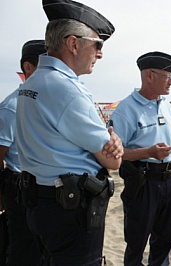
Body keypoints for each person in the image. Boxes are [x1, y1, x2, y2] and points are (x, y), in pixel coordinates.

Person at [15, 0, 123, 264]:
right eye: (97, 45)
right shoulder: (68, 90)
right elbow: (112, 159)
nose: (100, 54)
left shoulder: (34, 82)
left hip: (41, 202)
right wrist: (114, 140)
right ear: (73, 44)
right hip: (69, 211)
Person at [110, 51, 171, 266]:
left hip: (170, 180)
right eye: (167, 77)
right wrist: (148, 152)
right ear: (149, 75)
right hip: (143, 182)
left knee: (165, 239)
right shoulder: (126, 109)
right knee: (137, 241)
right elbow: (115, 153)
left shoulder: (167, 105)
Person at [0, 39, 46, 266]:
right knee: (24, 247)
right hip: (19, 184)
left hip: (46, 184)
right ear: (28, 68)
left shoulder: (48, 102)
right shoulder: (11, 106)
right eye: (44, 65)